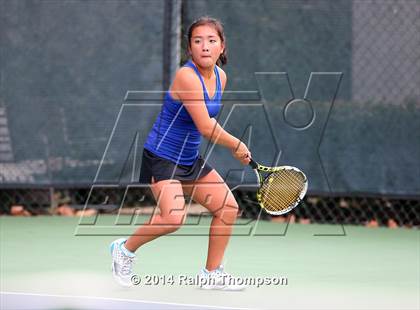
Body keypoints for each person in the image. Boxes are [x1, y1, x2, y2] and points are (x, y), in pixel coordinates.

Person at [110, 16, 251, 291]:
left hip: (189, 157)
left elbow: (211, 122)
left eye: (212, 41)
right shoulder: (186, 76)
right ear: (190, 48)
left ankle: (212, 273)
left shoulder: (221, 77)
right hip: (162, 156)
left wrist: (235, 143)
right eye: (198, 41)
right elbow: (205, 126)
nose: (205, 47)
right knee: (173, 218)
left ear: (222, 47)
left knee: (228, 208)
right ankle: (124, 249)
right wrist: (236, 144)